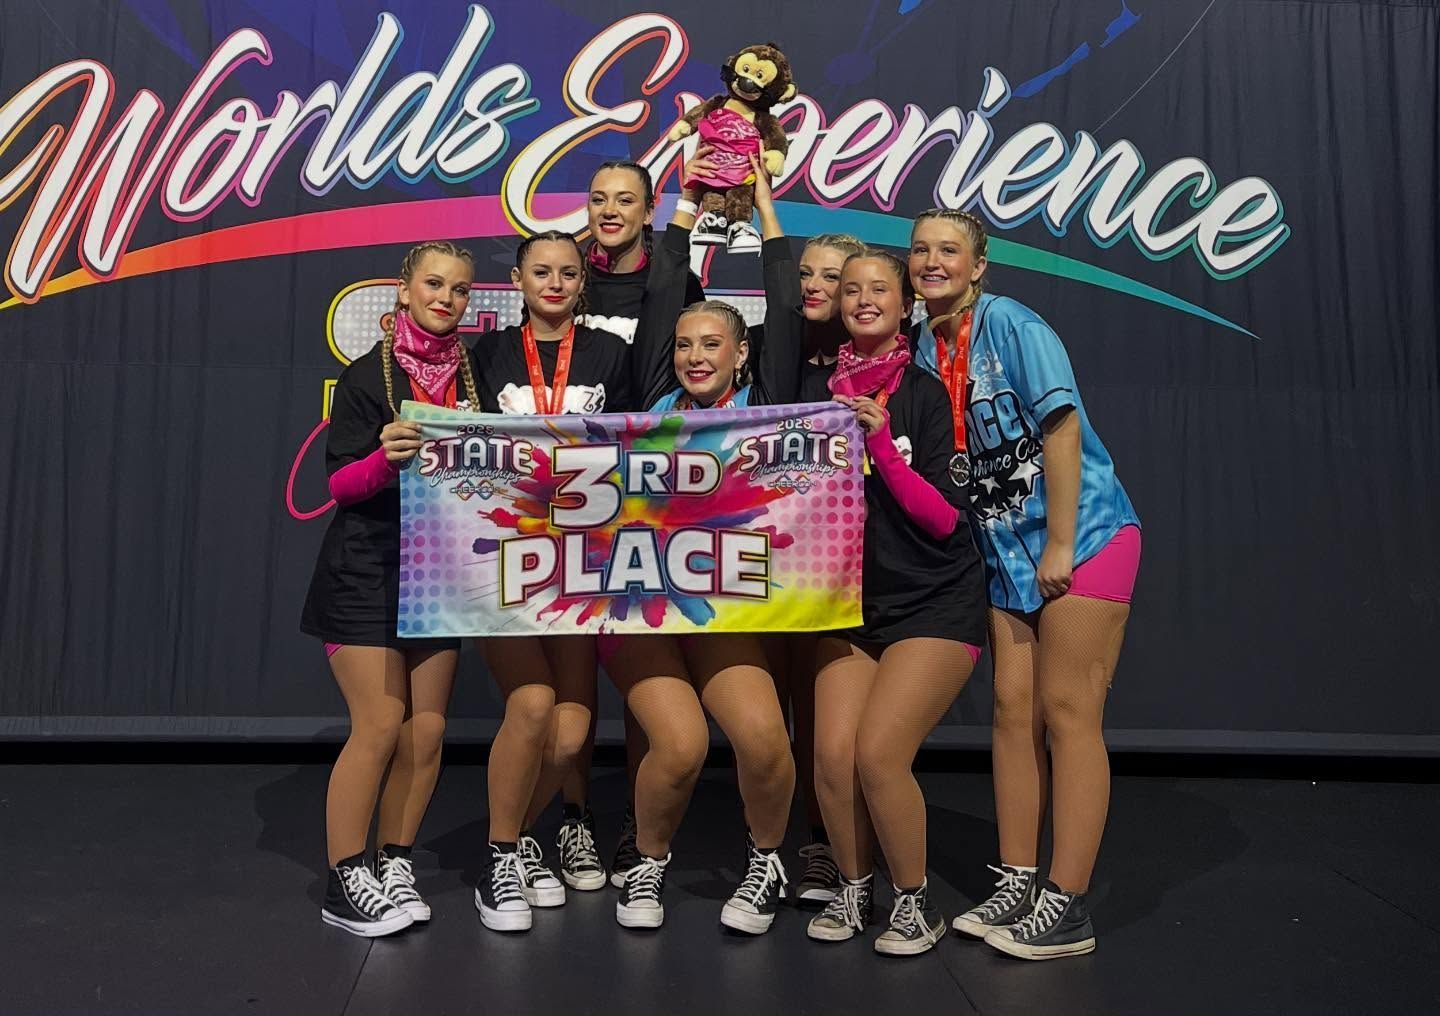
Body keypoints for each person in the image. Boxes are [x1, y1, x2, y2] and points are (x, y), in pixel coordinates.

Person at [907, 209, 1141, 960]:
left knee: (1068, 713)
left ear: (979, 266)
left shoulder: (1012, 324)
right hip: (1007, 556)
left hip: (1086, 538)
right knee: (1013, 714)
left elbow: (1061, 430)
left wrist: (1062, 543)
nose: (932, 261)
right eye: (920, 249)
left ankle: (1067, 905)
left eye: (949, 250)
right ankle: (1018, 880)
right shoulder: (921, 342)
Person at [596, 151, 802, 934]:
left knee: (764, 740)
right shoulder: (654, 399)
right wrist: (683, 204)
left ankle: (765, 861)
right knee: (679, 746)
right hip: (640, 608)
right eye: (685, 345)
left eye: (712, 344)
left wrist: (766, 207)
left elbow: (785, 305)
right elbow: (660, 294)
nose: (695, 357)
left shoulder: (766, 403)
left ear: (741, 353)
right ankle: (648, 862)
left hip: (724, 609)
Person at [802, 249, 988, 956]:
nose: (863, 299)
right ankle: (855, 887)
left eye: (879, 288)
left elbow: (943, 519)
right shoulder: (814, 397)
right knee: (831, 757)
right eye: (850, 289)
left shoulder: (926, 394)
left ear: (904, 303)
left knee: (878, 754)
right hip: (851, 607)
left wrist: (881, 446)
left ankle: (914, 903)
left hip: (935, 599)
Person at [301, 241, 479, 936]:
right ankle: (343, 880)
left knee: (426, 731)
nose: (445, 298)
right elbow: (340, 485)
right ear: (404, 291)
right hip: (366, 569)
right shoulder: (362, 377)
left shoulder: (476, 375)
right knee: (378, 725)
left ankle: (393, 861)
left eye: (459, 290)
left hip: (441, 572)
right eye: (433, 284)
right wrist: (384, 458)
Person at [547, 160, 708, 890]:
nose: (609, 211)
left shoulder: (676, 283)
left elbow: (689, 376)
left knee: (646, 675)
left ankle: (637, 831)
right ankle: (572, 817)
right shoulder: (566, 278)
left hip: (648, 498)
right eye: (597, 198)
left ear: (649, 211)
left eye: (625, 200)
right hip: (567, 502)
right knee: (574, 677)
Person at [467, 230, 634, 932]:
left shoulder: (610, 353)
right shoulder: (486, 353)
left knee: (570, 735)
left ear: (582, 281)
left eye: (568, 272)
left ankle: (543, 831)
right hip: (507, 556)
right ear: (518, 280)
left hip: (587, 556)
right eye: (542, 271)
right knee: (533, 709)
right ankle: (504, 853)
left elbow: (638, 442)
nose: (556, 283)